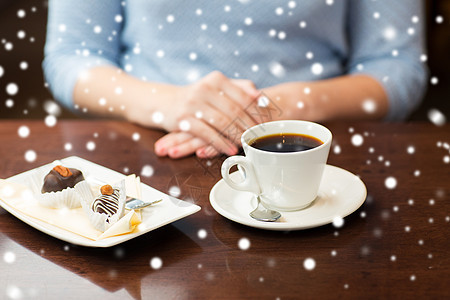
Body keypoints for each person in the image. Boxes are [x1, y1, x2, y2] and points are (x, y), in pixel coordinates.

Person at [43, 1, 427, 159]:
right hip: (149, 149)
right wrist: (170, 104)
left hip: (313, 150)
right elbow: (72, 55)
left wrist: (296, 104)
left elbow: (397, 66)